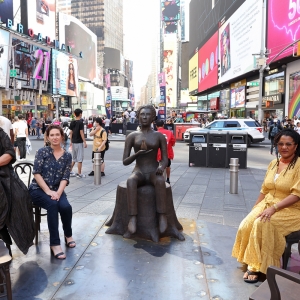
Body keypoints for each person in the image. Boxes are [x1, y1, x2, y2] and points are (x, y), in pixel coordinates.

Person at [232, 129, 300, 283]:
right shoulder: (273, 163)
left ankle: (256, 266)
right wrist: (255, 208)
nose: (284, 147)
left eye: (288, 144)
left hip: (292, 209)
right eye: (280, 144)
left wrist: (273, 209)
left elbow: (296, 195)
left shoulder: (299, 165)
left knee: (261, 223)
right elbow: (265, 189)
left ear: (295, 146)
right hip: (268, 203)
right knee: (246, 224)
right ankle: (251, 257)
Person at [29, 125, 75, 260]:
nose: (55, 137)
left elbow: (65, 177)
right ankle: (55, 243)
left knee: (66, 207)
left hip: (57, 190)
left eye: (57, 135)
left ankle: (68, 235)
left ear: (62, 136)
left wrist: (58, 193)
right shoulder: (42, 152)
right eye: (52, 135)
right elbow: (36, 173)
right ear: (48, 137)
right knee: (52, 205)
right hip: (38, 189)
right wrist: (49, 191)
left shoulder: (67, 156)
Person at [123, 105, 168, 235]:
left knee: (160, 182)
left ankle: (162, 215)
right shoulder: (132, 136)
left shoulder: (159, 136)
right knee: (131, 181)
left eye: (148, 114)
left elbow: (165, 159)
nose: (144, 117)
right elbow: (125, 161)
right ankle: (133, 217)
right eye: (142, 114)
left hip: (154, 170)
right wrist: (138, 153)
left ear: (153, 117)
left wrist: (161, 167)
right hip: (139, 171)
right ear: (137, 116)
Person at [0, 127, 34, 255]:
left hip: (5, 175)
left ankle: (5, 233)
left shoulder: (0, 134)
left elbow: (9, 153)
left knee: (19, 197)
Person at [69, 108, 87, 178]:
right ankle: (79, 173)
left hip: (73, 141)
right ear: (80, 114)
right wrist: (84, 142)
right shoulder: (80, 122)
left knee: (74, 158)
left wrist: (71, 141)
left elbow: (71, 132)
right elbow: (81, 132)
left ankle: (70, 171)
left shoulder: (72, 122)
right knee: (79, 159)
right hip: (79, 142)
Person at [156, 120, 175, 184]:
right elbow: (173, 143)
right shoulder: (169, 132)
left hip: (159, 153)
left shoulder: (155, 133)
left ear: (156, 126)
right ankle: (168, 179)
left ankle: (161, 180)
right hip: (167, 153)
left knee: (160, 166)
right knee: (168, 166)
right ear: (163, 125)